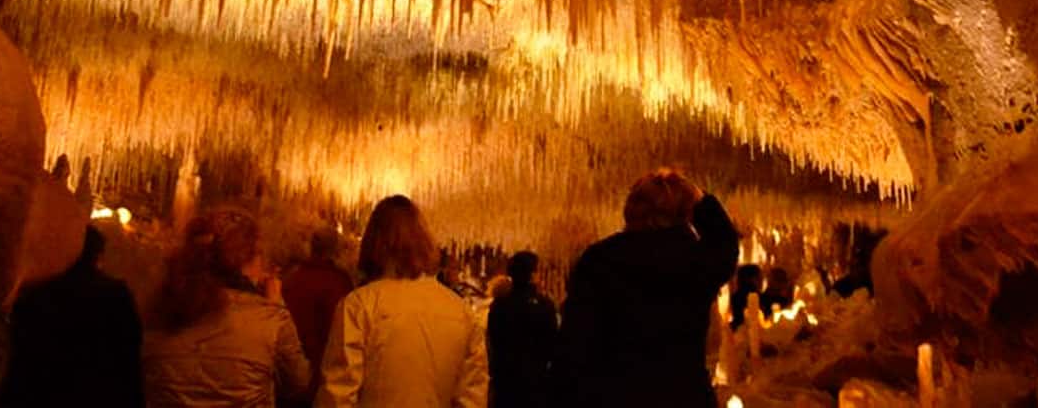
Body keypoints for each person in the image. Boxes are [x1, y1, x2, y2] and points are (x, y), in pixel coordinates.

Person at [550, 169, 740, 408]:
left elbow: (575, 340)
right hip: (683, 393)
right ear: (685, 212)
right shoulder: (696, 260)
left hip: (614, 394)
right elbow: (725, 241)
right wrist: (699, 198)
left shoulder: (600, 258)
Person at [317, 195, 488, 407]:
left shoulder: (359, 306)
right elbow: (472, 397)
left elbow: (337, 395)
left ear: (374, 243)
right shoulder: (460, 310)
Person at [142, 207, 312, 408]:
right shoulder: (267, 319)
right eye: (259, 257)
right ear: (246, 261)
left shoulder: (158, 310)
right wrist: (276, 306)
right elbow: (298, 383)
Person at [0, 225, 145, 407]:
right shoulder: (114, 295)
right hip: (97, 394)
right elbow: (128, 358)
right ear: (98, 255)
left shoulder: (36, 293)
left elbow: (20, 363)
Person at [283, 228, 354, 400]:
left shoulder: (292, 278)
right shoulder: (337, 282)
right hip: (321, 372)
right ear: (335, 251)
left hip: (289, 370)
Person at [485, 251, 557, 408]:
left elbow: (493, 341)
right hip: (535, 382)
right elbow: (552, 344)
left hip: (505, 381)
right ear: (532, 275)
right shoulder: (544, 306)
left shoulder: (499, 305)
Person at [728, 263, 765, 330]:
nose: (762, 281)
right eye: (760, 277)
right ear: (752, 279)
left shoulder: (735, 296)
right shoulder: (759, 297)